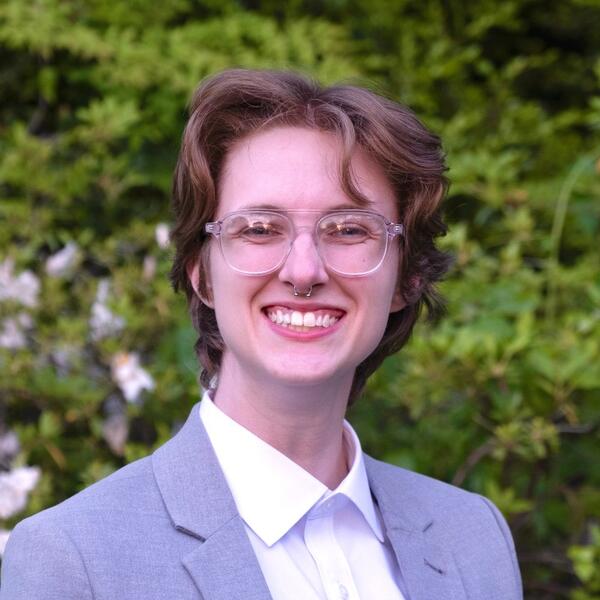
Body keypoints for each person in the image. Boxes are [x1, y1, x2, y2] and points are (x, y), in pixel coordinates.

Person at [0, 69, 523, 600]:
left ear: (406, 277)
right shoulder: (73, 560)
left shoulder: (474, 538)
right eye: (258, 229)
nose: (304, 271)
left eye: (348, 229)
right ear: (199, 272)